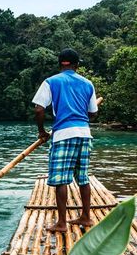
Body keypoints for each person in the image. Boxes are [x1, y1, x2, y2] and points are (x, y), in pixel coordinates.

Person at [32, 48, 102, 232]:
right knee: (83, 177)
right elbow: (93, 113)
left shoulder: (51, 81)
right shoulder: (88, 84)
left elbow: (39, 109)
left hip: (63, 134)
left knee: (61, 179)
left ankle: (62, 223)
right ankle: (86, 217)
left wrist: (42, 132)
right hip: (84, 134)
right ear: (77, 65)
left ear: (60, 64)